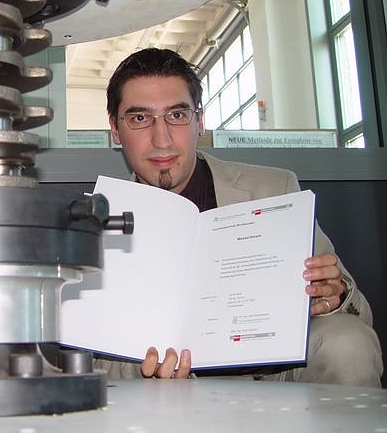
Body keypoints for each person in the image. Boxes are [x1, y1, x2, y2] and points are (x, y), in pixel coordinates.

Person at [96, 47, 383, 386]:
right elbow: (91, 360)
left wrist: (334, 295)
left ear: (199, 121)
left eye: (177, 114)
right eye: (140, 119)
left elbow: (360, 314)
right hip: (158, 388)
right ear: (115, 129)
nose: (162, 139)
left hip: (271, 374)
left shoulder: (274, 189)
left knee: (347, 342)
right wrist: (145, 367)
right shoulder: (96, 222)